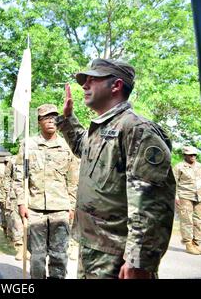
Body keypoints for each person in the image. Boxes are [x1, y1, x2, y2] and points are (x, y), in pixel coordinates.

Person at [57, 58, 176, 279]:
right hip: (93, 246)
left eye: (93, 79)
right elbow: (81, 146)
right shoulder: (102, 127)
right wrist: (68, 119)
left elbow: (151, 204)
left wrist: (138, 261)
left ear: (116, 86)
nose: (84, 85)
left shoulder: (136, 129)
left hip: (116, 255)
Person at [15, 104, 78, 279]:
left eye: (54, 117)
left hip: (60, 209)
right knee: (37, 255)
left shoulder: (67, 146)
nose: (51, 120)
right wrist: (21, 202)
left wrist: (72, 206)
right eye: (46, 117)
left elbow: (73, 180)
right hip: (34, 209)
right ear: (39, 121)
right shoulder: (28, 145)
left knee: (59, 254)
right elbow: (20, 176)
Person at [174, 146, 201, 255]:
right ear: (185, 155)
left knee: (199, 220)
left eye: (194, 154)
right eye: (190, 155)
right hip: (185, 196)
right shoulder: (179, 167)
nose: (193, 156)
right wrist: (175, 196)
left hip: (200, 196)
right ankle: (189, 244)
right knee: (187, 221)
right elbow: (173, 183)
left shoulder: (200, 167)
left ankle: (196, 244)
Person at [2, 155, 29, 261]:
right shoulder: (13, 161)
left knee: (31, 223)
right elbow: (7, 178)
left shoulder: (36, 156)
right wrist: (7, 194)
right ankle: (20, 249)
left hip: (32, 197)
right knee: (17, 223)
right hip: (15, 197)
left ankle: (28, 249)